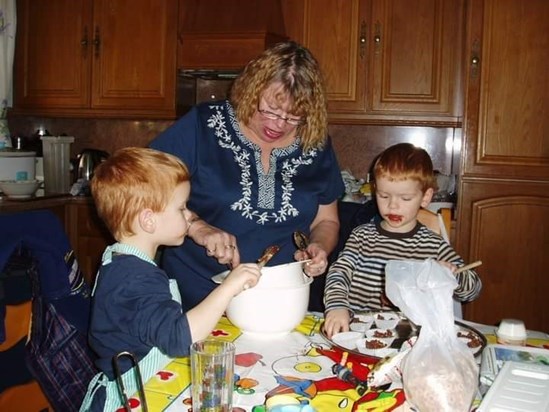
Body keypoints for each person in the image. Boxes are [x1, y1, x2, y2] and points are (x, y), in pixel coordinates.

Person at [149, 41, 345, 311]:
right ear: (250, 92)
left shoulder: (316, 143)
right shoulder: (202, 126)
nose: (278, 125)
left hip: (281, 296)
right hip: (198, 294)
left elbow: (327, 219)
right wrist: (197, 227)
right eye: (269, 111)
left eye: (293, 117)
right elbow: (143, 187)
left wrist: (318, 246)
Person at [80, 147, 260, 411]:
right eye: (181, 207)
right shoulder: (135, 278)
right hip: (132, 398)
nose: (190, 216)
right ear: (148, 221)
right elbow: (179, 338)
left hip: (149, 385)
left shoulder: (120, 259)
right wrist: (230, 286)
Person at [323, 143, 482, 337]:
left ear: (425, 197)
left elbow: (471, 291)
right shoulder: (361, 237)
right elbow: (339, 273)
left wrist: (452, 275)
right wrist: (337, 306)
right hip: (358, 333)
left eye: (405, 198)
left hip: (410, 338)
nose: (393, 206)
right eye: (383, 196)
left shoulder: (433, 245)